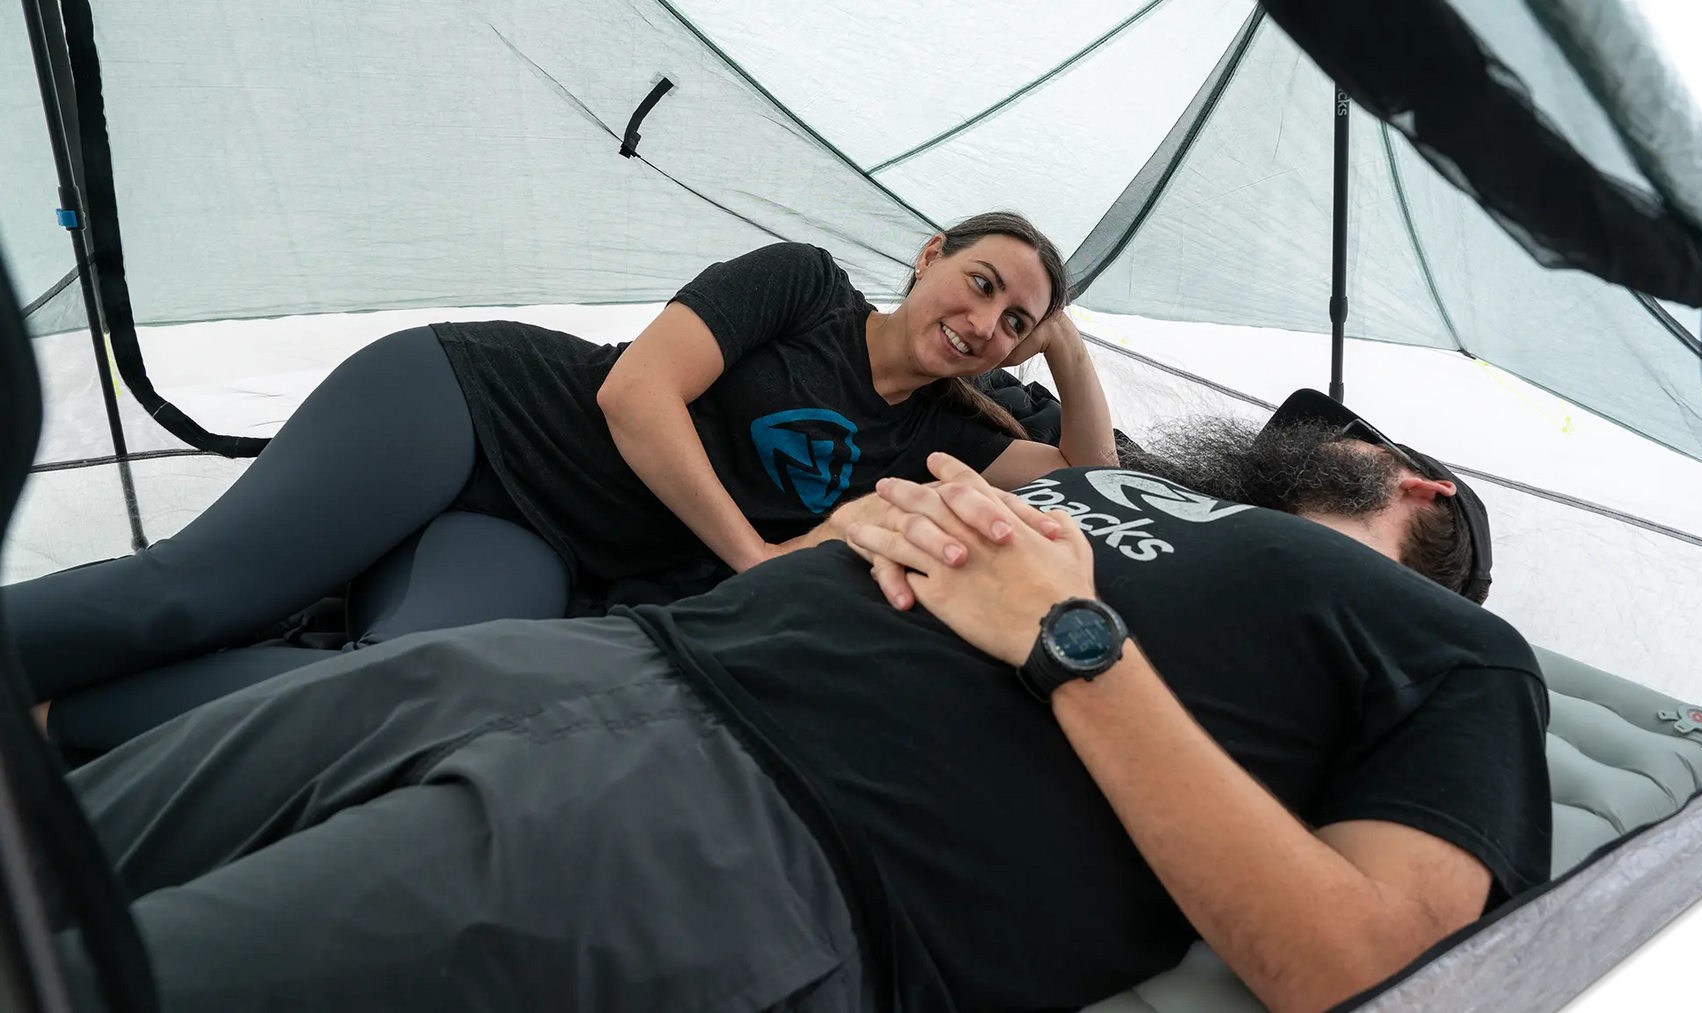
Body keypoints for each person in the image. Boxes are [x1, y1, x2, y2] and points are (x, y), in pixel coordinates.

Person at [49, 391, 1549, 1013]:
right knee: (45, 865)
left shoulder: (1457, 651)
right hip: (596, 658)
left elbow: (1357, 959)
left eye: (1334, 436)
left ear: (1421, 488)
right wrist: (858, 529)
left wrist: (1069, 636)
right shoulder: (1134, 489)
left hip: (744, 843)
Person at [7, 210, 1117, 752]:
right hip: (469, 405)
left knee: (395, 690)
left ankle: (55, 721)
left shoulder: (940, 430)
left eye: (1013, 320)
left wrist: (1066, 346)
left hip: (540, 534)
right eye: (980, 283)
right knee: (194, 592)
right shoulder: (805, 286)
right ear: (929, 255)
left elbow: (1093, 477)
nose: (983, 321)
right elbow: (636, 394)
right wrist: (758, 556)